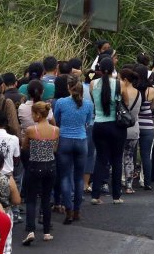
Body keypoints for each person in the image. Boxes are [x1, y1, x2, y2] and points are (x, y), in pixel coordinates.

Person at [53, 75, 91, 225]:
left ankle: (68, 209)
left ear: (69, 88)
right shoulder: (88, 104)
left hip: (64, 140)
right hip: (81, 140)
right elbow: (87, 122)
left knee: (65, 176)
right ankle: (77, 210)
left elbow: (57, 120)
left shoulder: (61, 102)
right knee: (79, 177)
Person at [21, 101, 58, 245]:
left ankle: (31, 230)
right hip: (50, 166)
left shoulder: (31, 130)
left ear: (37, 114)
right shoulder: (56, 130)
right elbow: (55, 149)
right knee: (46, 198)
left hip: (34, 166)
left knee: (31, 199)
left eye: (33, 114)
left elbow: (24, 147)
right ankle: (47, 232)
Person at [88, 57, 124, 205]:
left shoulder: (92, 84)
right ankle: (116, 196)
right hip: (115, 125)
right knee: (116, 160)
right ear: (113, 69)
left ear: (100, 69)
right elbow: (124, 101)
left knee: (100, 160)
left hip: (99, 124)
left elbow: (94, 100)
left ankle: (95, 195)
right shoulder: (118, 83)